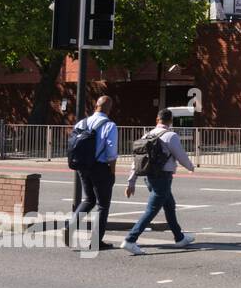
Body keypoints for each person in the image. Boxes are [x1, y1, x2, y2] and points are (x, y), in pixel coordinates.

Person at [122, 109, 197, 255]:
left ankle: (179, 237)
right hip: (163, 177)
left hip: (148, 177)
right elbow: (180, 155)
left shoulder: (147, 135)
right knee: (152, 210)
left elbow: (137, 161)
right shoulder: (171, 136)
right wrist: (190, 167)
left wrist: (131, 182)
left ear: (157, 119)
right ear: (170, 121)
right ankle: (130, 240)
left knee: (169, 205)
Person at [71, 95, 120, 250]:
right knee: (103, 205)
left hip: (82, 166)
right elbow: (111, 152)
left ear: (95, 106)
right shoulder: (109, 125)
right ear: (109, 108)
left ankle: (70, 227)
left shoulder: (81, 123)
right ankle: (96, 241)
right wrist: (112, 173)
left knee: (88, 199)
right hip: (100, 167)